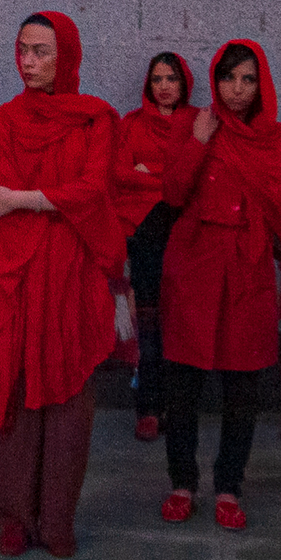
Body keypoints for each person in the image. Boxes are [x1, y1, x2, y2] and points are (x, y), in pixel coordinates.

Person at [0, 12, 125, 558]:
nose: (29, 62)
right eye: (22, 50)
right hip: (17, 274)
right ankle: (14, 517)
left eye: (42, 52)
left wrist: (26, 200)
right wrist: (42, 203)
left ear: (66, 57)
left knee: (68, 395)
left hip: (71, 272)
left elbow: (90, 191)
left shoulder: (94, 120)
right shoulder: (5, 120)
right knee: (15, 387)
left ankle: (58, 516)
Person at [157, 41, 281, 531]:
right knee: (182, 386)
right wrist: (199, 140)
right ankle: (182, 481)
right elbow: (173, 192)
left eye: (248, 79)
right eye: (228, 78)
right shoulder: (197, 124)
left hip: (247, 274)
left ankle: (229, 486)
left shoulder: (278, 139)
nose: (238, 89)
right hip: (195, 268)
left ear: (261, 82)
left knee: (241, 390)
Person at [110, 52, 194, 443]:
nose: (164, 86)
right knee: (148, 325)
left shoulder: (196, 125)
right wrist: (167, 180)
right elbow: (120, 175)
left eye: (172, 78)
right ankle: (148, 407)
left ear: (184, 83)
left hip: (184, 237)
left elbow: (192, 181)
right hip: (142, 237)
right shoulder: (132, 125)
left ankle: (175, 408)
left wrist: (153, 174)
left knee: (179, 324)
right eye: (157, 78)